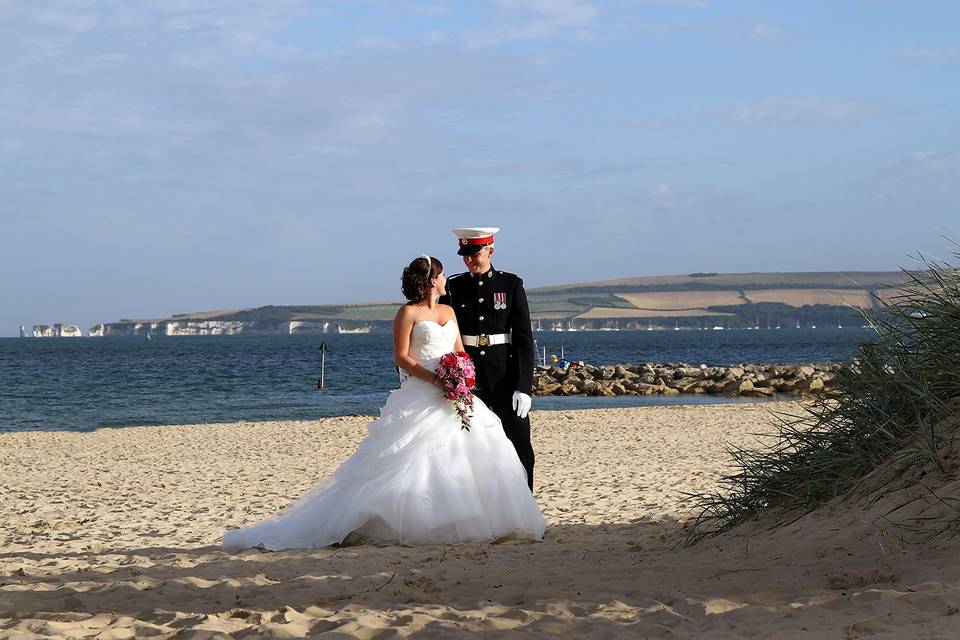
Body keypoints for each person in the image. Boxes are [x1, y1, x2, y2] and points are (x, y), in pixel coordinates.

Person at [222, 255, 545, 550]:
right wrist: (437, 379)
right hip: (425, 389)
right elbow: (401, 357)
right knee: (414, 458)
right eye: (443, 274)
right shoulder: (407, 313)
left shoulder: (448, 311)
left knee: (476, 450)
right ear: (432, 280)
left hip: (455, 393)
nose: (448, 279)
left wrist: (461, 375)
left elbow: (460, 349)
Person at [439, 228, 536, 490]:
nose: (469, 259)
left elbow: (524, 339)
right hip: (470, 377)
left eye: (475, 253)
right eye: (465, 254)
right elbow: (443, 328)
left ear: (490, 251)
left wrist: (524, 387)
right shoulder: (454, 286)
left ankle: (525, 502)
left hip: (504, 374)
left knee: (519, 440)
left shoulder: (510, 284)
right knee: (472, 444)